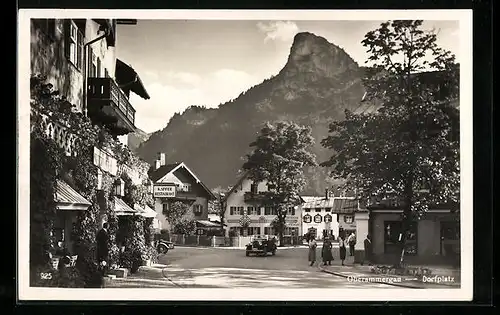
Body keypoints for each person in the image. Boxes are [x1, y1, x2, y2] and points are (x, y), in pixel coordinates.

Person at [96, 222, 110, 287]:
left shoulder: (100, 232)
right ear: (107, 226)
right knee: (103, 261)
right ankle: (102, 273)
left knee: (103, 261)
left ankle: (103, 272)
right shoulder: (103, 233)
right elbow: (104, 242)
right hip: (103, 250)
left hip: (101, 250)